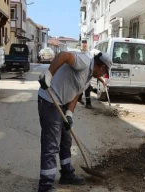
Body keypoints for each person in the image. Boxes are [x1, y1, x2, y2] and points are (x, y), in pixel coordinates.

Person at [37, 50, 112, 192]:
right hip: (49, 100)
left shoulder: (88, 77)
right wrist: (49, 74)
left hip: (63, 104)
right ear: (102, 67)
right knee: (51, 144)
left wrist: (70, 113)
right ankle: (45, 186)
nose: (103, 76)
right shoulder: (84, 62)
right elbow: (64, 55)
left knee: (66, 140)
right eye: (104, 72)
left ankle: (66, 174)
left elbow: (76, 94)